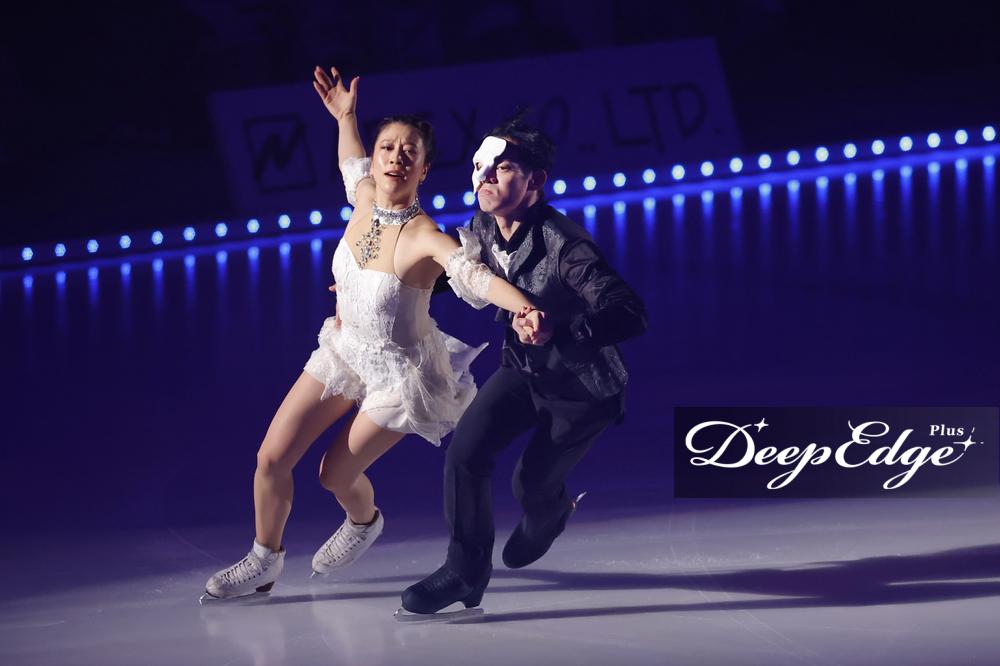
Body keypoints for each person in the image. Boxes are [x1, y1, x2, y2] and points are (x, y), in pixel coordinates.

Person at [201, 67, 543, 601]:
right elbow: (350, 161)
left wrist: (524, 306)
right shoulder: (362, 197)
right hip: (345, 351)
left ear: (424, 168)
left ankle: (364, 522)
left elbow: (477, 277)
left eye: (409, 151)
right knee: (271, 458)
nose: (395, 157)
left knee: (332, 475)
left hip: (400, 375)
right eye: (388, 147)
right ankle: (264, 560)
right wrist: (346, 117)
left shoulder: (424, 236)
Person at [400, 115, 648, 614]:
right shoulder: (481, 227)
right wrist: (390, 283)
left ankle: (550, 512)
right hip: (524, 368)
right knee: (465, 454)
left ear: (536, 180)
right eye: (482, 166)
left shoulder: (565, 245)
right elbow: (459, 274)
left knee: (529, 483)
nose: (487, 177)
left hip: (582, 387)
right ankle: (465, 573)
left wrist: (561, 329)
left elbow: (628, 311)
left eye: (504, 167)